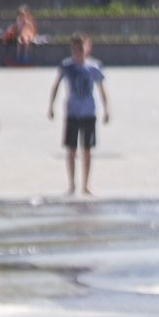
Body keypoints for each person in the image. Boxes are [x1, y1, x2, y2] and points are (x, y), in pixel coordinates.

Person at [47, 33, 109, 196]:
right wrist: (51, 106)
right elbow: (56, 85)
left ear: (87, 48)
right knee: (71, 150)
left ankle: (86, 184)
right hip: (72, 113)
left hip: (88, 112)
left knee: (87, 150)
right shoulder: (66, 66)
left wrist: (106, 109)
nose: (77, 52)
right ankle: (72, 184)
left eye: (80, 48)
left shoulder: (93, 67)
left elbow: (102, 90)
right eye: (74, 48)